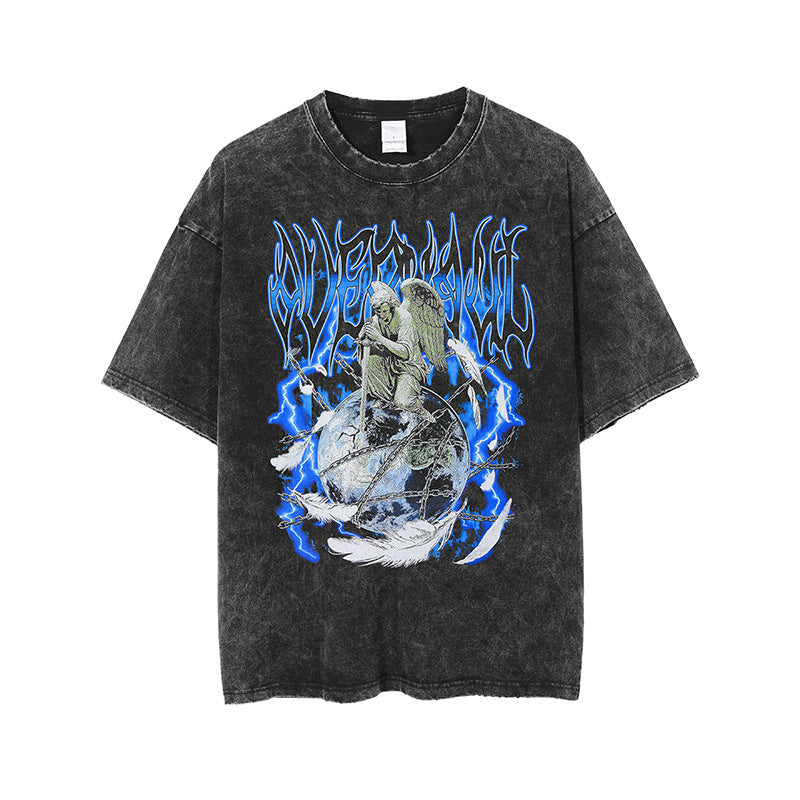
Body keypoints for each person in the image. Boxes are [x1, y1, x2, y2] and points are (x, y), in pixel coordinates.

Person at [356, 282, 436, 423]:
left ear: (391, 307)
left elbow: (405, 353)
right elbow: (364, 345)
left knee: (403, 401)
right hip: (389, 364)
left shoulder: (405, 318)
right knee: (370, 361)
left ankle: (422, 411)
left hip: (408, 366)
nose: (383, 316)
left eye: (385, 311)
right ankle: (386, 398)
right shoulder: (375, 320)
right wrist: (362, 338)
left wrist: (379, 338)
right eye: (378, 312)